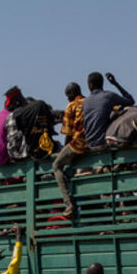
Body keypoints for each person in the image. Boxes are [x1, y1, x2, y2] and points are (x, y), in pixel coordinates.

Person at [51, 82, 87, 212]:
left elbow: (68, 132)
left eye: (67, 96)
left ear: (71, 94)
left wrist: (64, 149)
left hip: (79, 142)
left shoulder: (71, 105)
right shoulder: (88, 101)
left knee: (56, 165)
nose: (67, 98)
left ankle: (68, 203)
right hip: (92, 141)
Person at [81, 72, 136, 152]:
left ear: (90, 85)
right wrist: (115, 84)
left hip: (89, 144)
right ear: (102, 83)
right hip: (104, 142)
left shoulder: (85, 102)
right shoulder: (109, 96)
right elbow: (130, 101)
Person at [5, 86, 57, 161]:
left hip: (33, 154)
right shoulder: (41, 104)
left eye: (12, 103)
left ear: (16, 100)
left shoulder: (17, 114)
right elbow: (51, 125)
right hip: (49, 148)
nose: (12, 106)